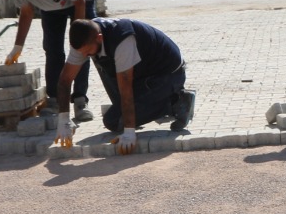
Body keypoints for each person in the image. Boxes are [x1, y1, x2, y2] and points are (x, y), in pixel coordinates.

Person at [51, 17, 195, 155]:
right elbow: (65, 81)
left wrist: (129, 133)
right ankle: (143, 108)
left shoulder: (122, 41)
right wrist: (64, 120)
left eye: (87, 51)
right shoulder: (85, 36)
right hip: (142, 74)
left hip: (167, 75)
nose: (85, 55)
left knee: (113, 121)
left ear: (99, 38)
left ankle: (177, 101)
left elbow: (126, 90)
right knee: (100, 60)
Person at [4, 0, 97, 122]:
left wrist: (76, 39)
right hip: (50, 7)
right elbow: (26, 12)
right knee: (52, 50)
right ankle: (54, 100)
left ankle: (80, 101)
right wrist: (17, 47)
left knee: (82, 49)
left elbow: (79, 2)